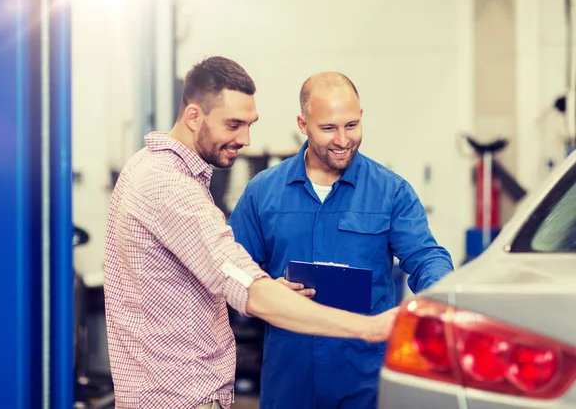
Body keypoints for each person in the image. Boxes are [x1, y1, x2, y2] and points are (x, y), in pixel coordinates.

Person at [103, 57, 399, 409]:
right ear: (194, 116)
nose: (244, 139)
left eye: (249, 124)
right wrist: (370, 328)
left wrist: (265, 288)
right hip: (180, 398)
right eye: (233, 124)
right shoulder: (171, 188)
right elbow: (248, 290)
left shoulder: (145, 165)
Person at [228, 72, 454, 409]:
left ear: (361, 116)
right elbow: (232, 268)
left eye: (351, 125)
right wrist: (268, 287)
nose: (343, 139)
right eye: (329, 128)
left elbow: (426, 257)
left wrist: (440, 298)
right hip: (289, 381)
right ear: (303, 124)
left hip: (363, 382)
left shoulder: (391, 192)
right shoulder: (263, 192)